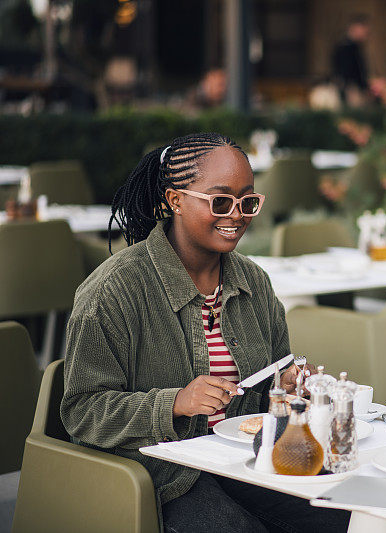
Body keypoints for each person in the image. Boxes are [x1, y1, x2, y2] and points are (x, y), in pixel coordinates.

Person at [61, 133, 350, 532]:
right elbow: (82, 412)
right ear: (174, 200)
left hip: (244, 461)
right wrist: (175, 402)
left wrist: (290, 386)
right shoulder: (114, 291)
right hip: (161, 474)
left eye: (247, 202)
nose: (237, 215)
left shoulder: (254, 282)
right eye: (220, 201)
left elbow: (272, 381)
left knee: (342, 514)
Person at [331, 15, 370, 106]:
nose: (366, 34)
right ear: (355, 28)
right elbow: (347, 71)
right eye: (364, 30)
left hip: (355, 88)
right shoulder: (345, 48)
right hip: (351, 89)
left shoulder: (355, 47)